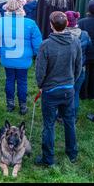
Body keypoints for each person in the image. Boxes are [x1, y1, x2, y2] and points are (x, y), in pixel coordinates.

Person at [35, 11, 81, 167]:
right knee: (69, 121)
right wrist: (71, 81)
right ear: (66, 24)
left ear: (51, 25)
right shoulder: (73, 42)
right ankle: (72, 153)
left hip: (52, 90)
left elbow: (40, 71)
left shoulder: (47, 45)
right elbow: (78, 66)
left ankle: (48, 159)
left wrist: (40, 85)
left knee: (49, 124)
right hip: (67, 89)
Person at [0, 0, 42, 115]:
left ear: (7, 8)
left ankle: (10, 104)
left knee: (9, 79)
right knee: (22, 82)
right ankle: (23, 106)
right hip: (24, 59)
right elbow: (37, 44)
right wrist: (35, 54)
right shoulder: (30, 23)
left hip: (7, 58)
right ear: (21, 8)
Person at [65, 11, 91, 118]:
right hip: (80, 69)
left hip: (65, 70)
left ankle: (62, 115)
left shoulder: (63, 35)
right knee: (75, 93)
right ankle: (73, 116)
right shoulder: (84, 34)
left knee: (64, 94)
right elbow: (89, 46)